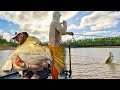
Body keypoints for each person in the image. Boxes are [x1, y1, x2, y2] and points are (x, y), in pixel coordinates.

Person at [48, 11, 73, 79]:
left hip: (52, 46)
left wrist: (68, 33)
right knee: (56, 65)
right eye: (59, 15)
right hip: (55, 46)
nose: (60, 16)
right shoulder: (56, 22)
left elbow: (61, 32)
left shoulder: (53, 23)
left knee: (53, 64)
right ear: (56, 15)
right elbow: (63, 31)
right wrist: (65, 24)